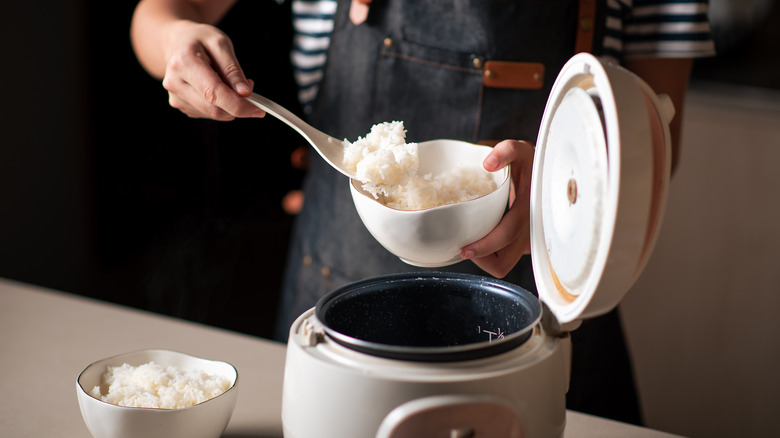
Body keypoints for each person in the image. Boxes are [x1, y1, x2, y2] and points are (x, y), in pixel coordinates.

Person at [131, 0, 714, 425]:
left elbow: (657, 140)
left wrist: (569, 181)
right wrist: (178, 40)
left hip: (545, 308)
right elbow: (157, 13)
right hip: (335, 300)